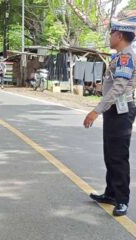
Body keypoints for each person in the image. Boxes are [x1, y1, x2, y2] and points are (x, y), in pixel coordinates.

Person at [83, 18, 136, 216]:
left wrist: (96, 110)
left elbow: (120, 87)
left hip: (121, 111)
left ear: (120, 35)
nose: (109, 37)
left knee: (118, 157)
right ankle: (111, 193)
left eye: (111, 34)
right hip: (114, 110)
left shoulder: (125, 57)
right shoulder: (119, 56)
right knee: (109, 154)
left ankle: (122, 200)